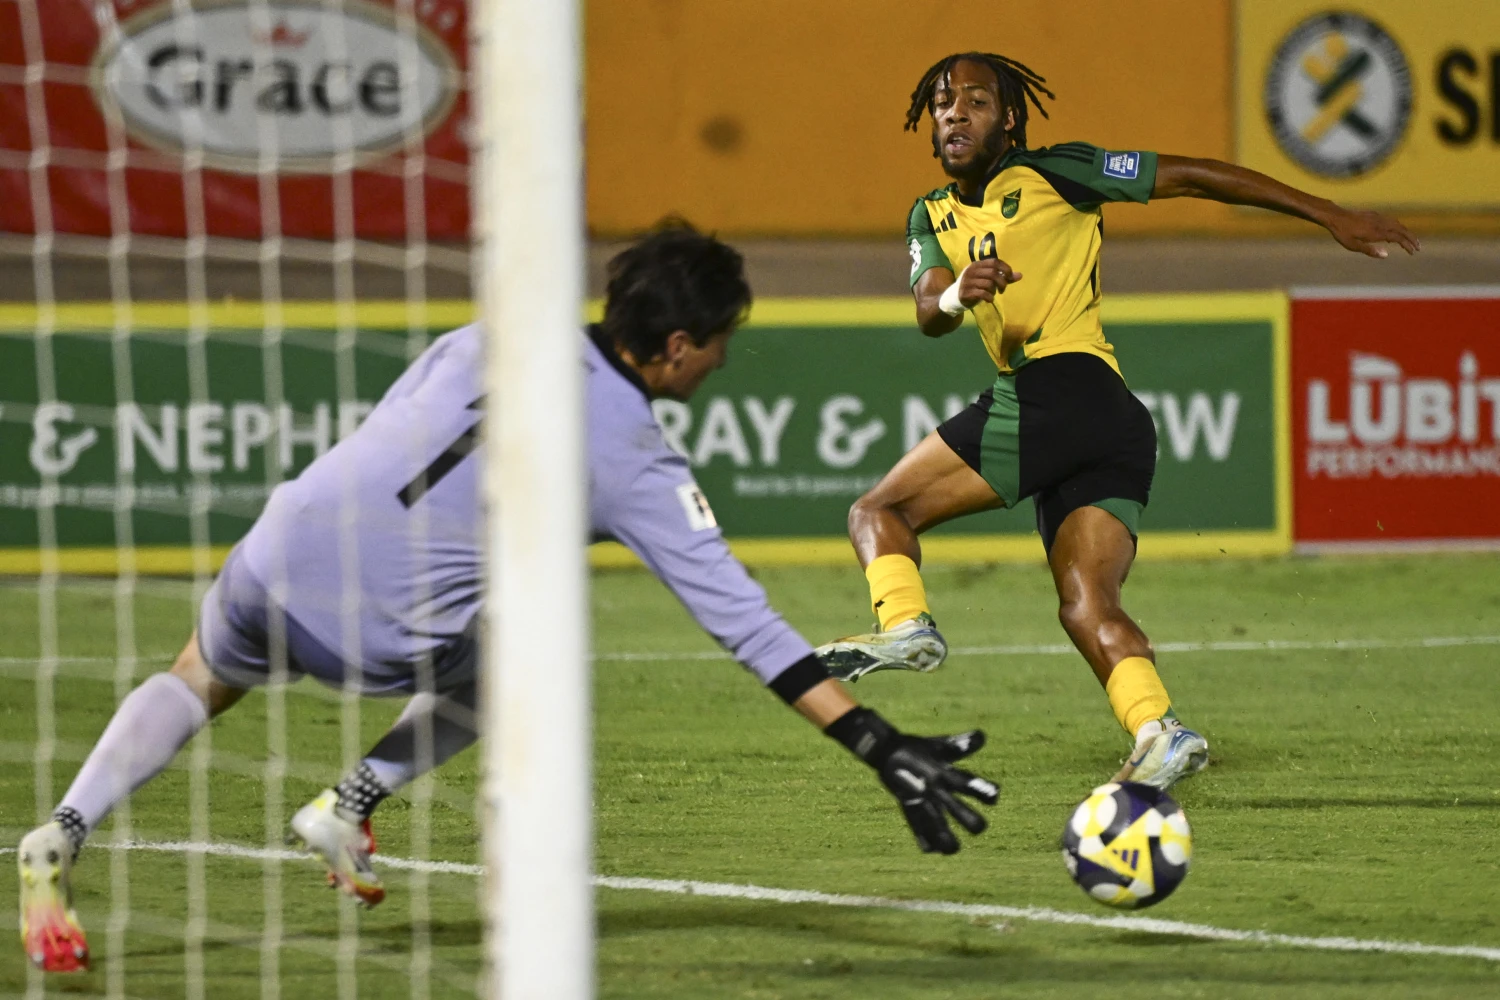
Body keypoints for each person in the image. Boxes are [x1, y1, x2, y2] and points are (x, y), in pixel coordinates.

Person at [15, 227, 999, 974]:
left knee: (197, 673)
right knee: (524, 657)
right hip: (377, 632)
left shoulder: (487, 336)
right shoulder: (636, 458)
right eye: (718, 345)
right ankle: (352, 797)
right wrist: (878, 742)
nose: (723, 363)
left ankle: (62, 826)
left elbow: (396, 435)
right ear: (675, 346)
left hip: (275, 549)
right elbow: (743, 621)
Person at [816, 52, 1419, 790]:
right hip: (1113, 424)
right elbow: (928, 310)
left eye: (974, 101)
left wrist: (1330, 215)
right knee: (1087, 605)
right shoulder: (930, 214)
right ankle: (1159, 730)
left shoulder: (1059, 173)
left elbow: (1195, 174)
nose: (953, 114)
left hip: (1059, 388)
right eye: (941, 104)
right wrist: (955, 296)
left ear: (1009, 118)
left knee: (879, 510)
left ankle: (906, 627)